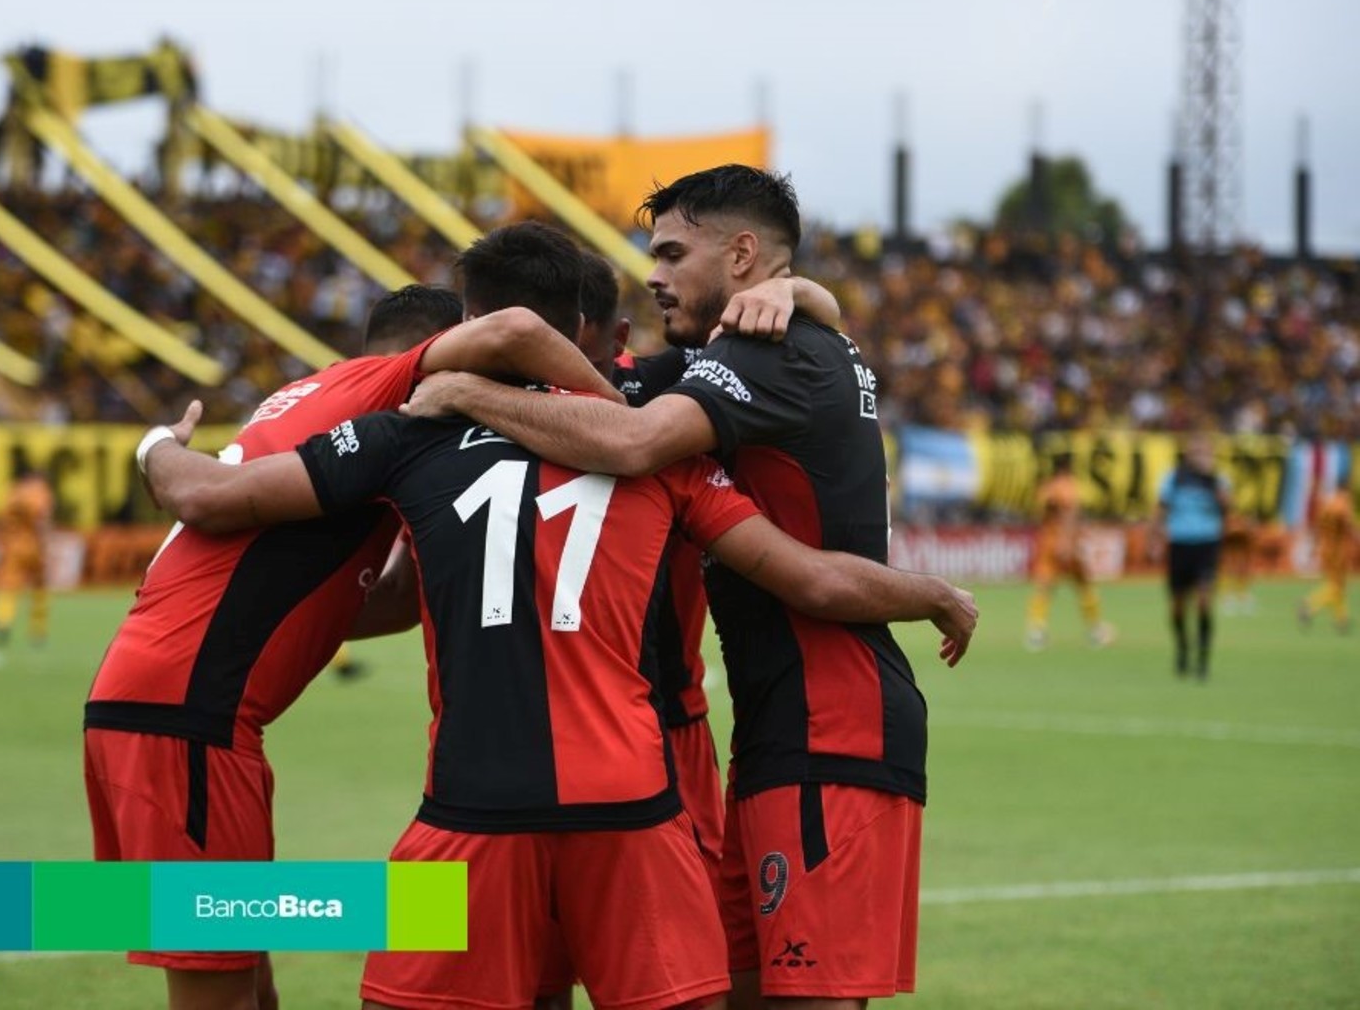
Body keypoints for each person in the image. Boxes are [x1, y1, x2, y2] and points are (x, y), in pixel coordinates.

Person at [141, 222, 976, 1010]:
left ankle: (53, 910)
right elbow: (805, 574)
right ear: (589, 330)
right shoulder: (662, 435)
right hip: (641, 781)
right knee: (214, 931)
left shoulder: (418, 434)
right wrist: (930, 592)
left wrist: (159, 455)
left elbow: (236, 511)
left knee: (208, 930)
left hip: (462, 795)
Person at [400, 165, 960, 1008]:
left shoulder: (752, 365)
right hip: (753, 740)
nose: (654, 272)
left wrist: (457, 388)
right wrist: (803, 289)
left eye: (669, 251)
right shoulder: (723, 363)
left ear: (740, 254)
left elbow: (630, 444)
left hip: (813, 730)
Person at [84, 275, 626, 1010]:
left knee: (244, 973)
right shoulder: (387, 387)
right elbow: (514, 330)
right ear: (435, 352)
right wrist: (615, 416)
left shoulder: (318, 401)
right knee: (217, 994)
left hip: (170, 704)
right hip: (188, 716)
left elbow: (391, 600)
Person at [1155, 434, 1230, 680]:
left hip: (1207, 545)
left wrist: (1212, 481)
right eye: (1196, 451)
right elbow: (1161, 509)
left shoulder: (1218, 480)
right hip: (1179, 545)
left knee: (1204, 601)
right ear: (1188, 454)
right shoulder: (1174, 478)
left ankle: (1203, 659)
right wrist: (1154, 538)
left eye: (1205, 452)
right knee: (1177, 607)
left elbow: (1228, 507)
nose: (1201, 456)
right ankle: (1182, 648)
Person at [1025, 454, 1115, 651]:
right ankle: (1096, 630)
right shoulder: (1067, 486)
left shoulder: (1046, 487)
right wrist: (1066, 541)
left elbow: (1039, 514)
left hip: (1048, 540)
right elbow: (1070, 512)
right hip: (1067, 542)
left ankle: (1036, 632)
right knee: (1083, 585)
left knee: (1044, 586)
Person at [0, 455, 55, 648]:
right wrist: (46, 541)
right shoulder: (41, 491)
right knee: (39, 588)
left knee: (9, 586)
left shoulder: (13, 490)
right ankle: (37, 630)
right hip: (33, 545)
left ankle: (3, 622)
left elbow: (1, 518)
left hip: (13, 546)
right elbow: (42, 519)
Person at [1298, 486, 1355, 633]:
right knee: (1337, 586)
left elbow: (1318, 527)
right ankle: (1310, 603)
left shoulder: (1327, 505)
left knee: (1336, 585)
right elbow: (1348, 526)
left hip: (1326, 548)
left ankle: (1341, 619)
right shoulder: (1343, 506)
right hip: (1339, 550)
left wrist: (1315, 547)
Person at [1218, 505, 1257, 616]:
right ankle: (1227, 595)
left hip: (1241, 524)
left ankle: (1241, 594)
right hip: (1227, 523)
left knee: (1242, 562)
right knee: (1226, 561)